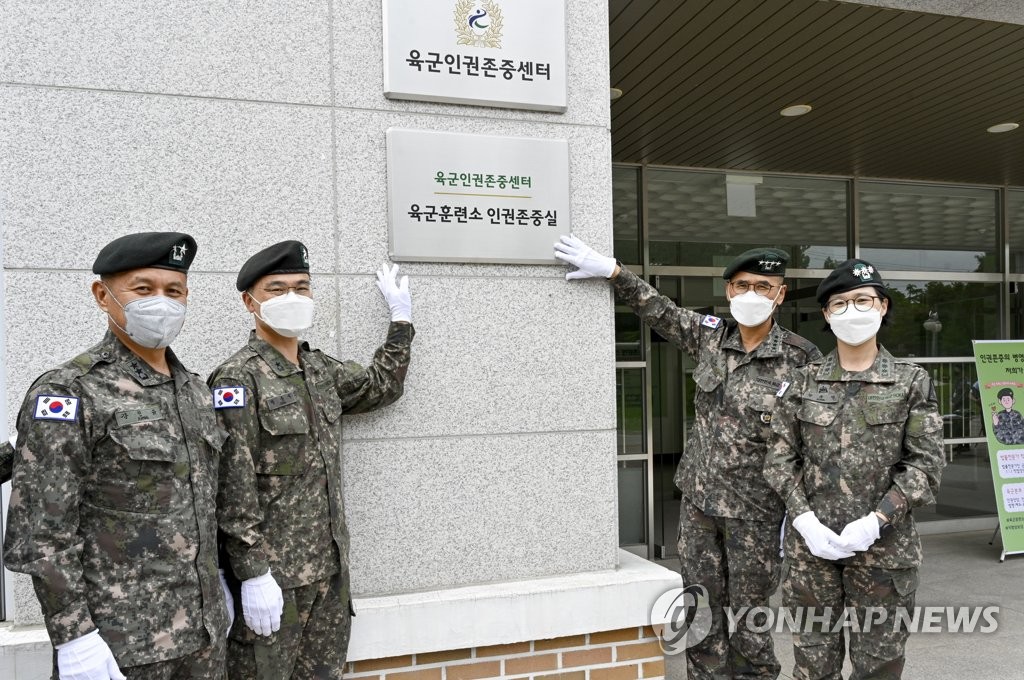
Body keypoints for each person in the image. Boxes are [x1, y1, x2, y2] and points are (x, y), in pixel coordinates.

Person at [554, 236, 821, 679]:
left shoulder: (802, 359)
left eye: (762, 285)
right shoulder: (711, 337)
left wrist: (798, 517)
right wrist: (614, 272)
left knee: (750, 617)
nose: (750, 294)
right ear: (728, 291)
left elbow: (811, 445)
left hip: (756, 513)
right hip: (699, 505)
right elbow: (660, 310)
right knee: (700, 609)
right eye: (740, 285)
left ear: (780, 293)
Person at [3, 233, 232, 680]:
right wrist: (74, 635)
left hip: (204, 638)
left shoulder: (195, 392)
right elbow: (42, 531)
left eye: (174, 291)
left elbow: (206, 505)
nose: (161, 303)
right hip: (119, 645)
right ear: (102, 296)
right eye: (143, 290)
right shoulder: (70, 391)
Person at [210, 241, 414, 680]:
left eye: (302, 288)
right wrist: (251, 574)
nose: (293, 298)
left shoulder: (319, 370)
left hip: (328, 574)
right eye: (277, 288)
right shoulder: (237, 378)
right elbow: (231, 484)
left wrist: (401, 322)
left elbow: (380, 386)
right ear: (250, 301)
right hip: (274, 583)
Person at [764, 259, 945, 679]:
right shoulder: (802, 381)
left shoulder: (911, 381)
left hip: (885, 554)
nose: (853, 310)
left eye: (863, 299)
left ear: (882, 306)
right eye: (840, 303)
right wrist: (803, 519)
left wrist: (877, 521)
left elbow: (926, 464)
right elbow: (778, 458)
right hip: (813, 552)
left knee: (878, 668)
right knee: (813, 667)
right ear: (826, 315)